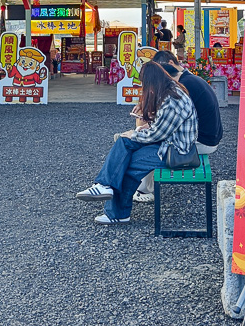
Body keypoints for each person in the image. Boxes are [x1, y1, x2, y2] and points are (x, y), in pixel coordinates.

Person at [76, 62, 198, 224]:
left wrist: (135, 133)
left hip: (175, 150)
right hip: (167, 142)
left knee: (128, 161)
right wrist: (137, 131)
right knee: (124, 143)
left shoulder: (172, 100)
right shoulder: (171, 90)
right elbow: (162, 126)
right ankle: (105, 188)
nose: (144, 88)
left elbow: (156, 135)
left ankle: (116, 210)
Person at [133, 50, 223, 203]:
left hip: (202, 141)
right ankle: (143, 185)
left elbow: (172, 121)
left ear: (169, 65)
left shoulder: (184, 85)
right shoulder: (191, 80)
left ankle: (143, 189)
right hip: (209, 136)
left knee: (148, 139)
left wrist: (145, 125)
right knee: (147, 130)